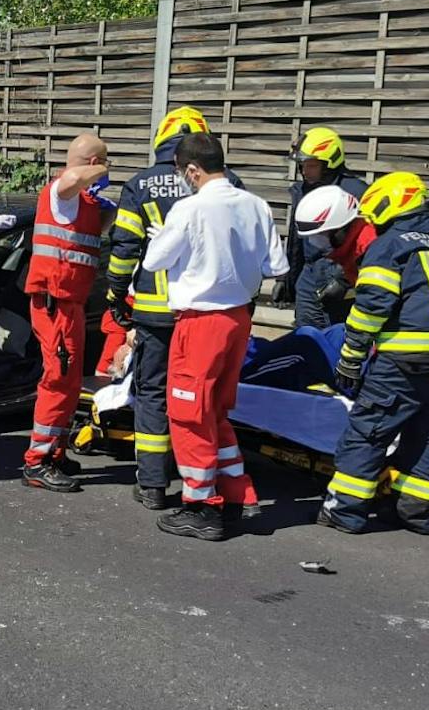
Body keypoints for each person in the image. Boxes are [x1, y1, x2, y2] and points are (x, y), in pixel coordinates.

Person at [141, 133, 289, 540]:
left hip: (200, 322)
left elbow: (155, 261)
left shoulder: (189, 209)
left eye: (181, 172)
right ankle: (239, 494)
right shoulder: (257, 205)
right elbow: (277, 265)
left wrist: (165, 239)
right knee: (216, 411)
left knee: (188, 413)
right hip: (239, 320)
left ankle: (202, 505)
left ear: (192, 170)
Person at [320, 173, 429, 535]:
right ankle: (416, 512)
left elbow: (371, 307)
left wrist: (350, 358)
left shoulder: (389, 245)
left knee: (369, 430)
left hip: (407, 359)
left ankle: (344, 510)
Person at [105, 106, 243, 511]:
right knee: (204, 396)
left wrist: (115, 292)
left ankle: (151, 484)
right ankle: (205, 482)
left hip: (155, 309)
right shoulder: (228, 182)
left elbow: (125, 246)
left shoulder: (141, 184)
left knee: (152, 395)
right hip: (208, 311)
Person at [21, 133, 111, 492]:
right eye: (104, 163)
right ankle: (37, 461)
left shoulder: (84, 202)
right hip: (54, 303)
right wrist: (99, 169)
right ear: (93, 164)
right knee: (57, 380)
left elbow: (86, 236)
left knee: (70, 382)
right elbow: (71, 179)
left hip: (70, 304)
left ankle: (54, 451)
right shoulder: (62, 191)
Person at [277, 127, 366, 328]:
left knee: (337, 335)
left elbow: (368, 244)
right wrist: (285, 279)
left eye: (311, 166)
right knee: (306, 335)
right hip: (308, 275)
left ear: (329, 164)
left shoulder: (355, 193)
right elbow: (296, 241)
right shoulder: (304, 191)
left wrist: (343, 281)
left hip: (340, 274)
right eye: (302, 165)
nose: (304, 172)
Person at [292, 185, 377, 325]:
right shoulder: (347, 246)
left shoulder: (370, 249)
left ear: (340, 229)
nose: (315, 242)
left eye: (320, 235)